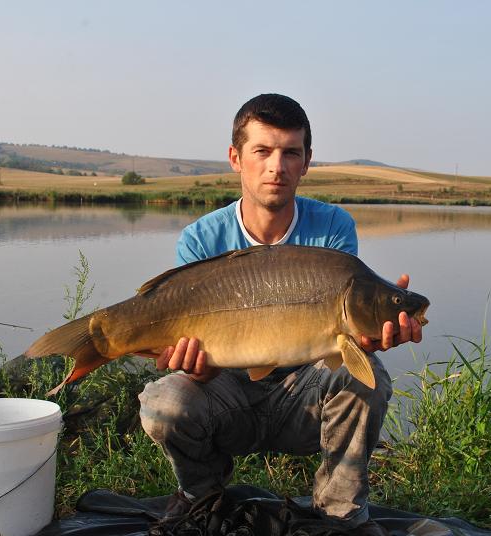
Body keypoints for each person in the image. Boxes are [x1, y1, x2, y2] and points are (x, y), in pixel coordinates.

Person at [138, 94, 423, 535]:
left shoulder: (333, 228)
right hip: (227, 391)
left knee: (368, 378)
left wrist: (373, 328)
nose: (277, 166)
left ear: (306, 161)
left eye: (291, 152)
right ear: (236, 158)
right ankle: (201, 497)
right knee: (164, 402)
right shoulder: (201, 239)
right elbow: (195, 366)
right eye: (263, 151)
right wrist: (193, 367)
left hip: (301, 395)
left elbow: (342, 343)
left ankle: (341, 513)